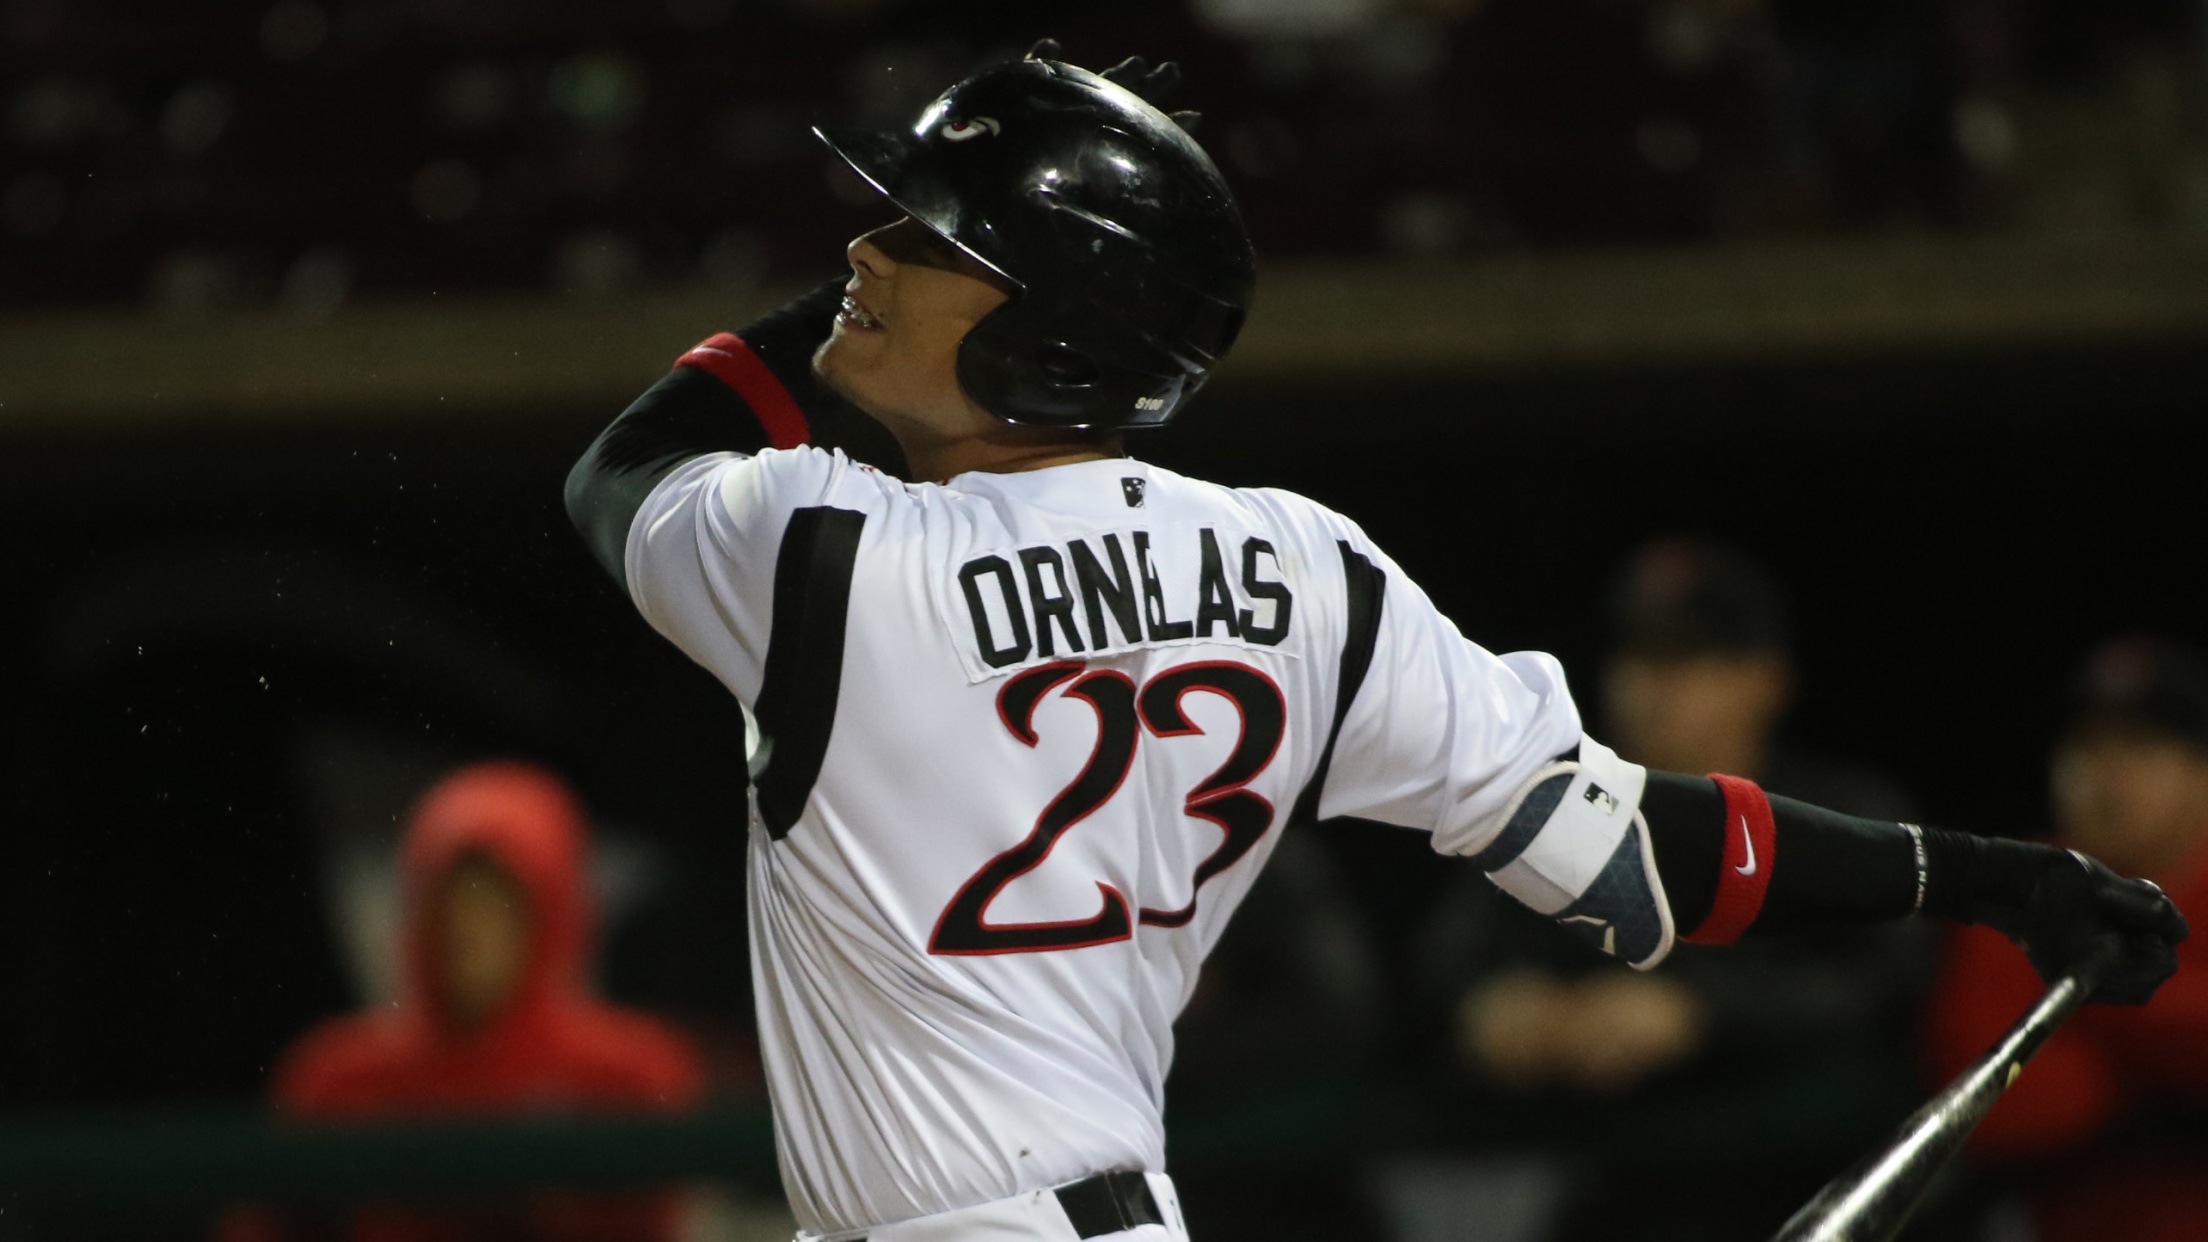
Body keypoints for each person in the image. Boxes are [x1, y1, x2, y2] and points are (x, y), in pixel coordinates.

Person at [561, 43, 2184, 1242]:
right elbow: (1638, 846)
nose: (860, 257)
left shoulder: (822, 549)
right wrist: (1981, 871)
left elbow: (626, 463)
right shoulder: (1301, 567)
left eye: (925, 242)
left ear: (1053, 325)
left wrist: (831, 325)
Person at [1423, 539, 1932, 1240]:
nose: (1651, 689)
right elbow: (1447, 963)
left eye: (1690, 662)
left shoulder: (1840, 816)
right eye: (1637, 658)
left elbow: (1891, 983)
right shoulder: (1559, 807)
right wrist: (1491, 1004)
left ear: (1766, 679)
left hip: (1816, 1192)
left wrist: (1702, 1013)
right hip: (1619, 1198)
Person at [260, 761, 704, 1241]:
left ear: (551, 911)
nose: (467, 928)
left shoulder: (630, 1077)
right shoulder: (337, 1080)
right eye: (449, 899)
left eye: (497, 901)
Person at [1927, 638, 2208, 1242]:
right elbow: (2003, 1113)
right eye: (2087, 746)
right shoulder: (2018, 883)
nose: (2109, 775)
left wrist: (2084, 1000)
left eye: (2143, 747)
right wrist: (2166, 1067)